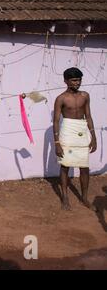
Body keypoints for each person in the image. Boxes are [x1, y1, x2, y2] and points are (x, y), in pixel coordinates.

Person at [53, 67, 97, 211]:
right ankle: (65, 197)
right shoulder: (61, 98)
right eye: (73, 80)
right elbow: (55, 122)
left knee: (84, 167)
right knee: (65, 166)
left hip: (82, 131)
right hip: (67, 131)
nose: (77, 83)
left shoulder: (85, 95)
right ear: (65, 81)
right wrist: (57, 143)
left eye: (78, 80)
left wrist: (93, 137)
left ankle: (84, 197)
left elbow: (89, 116)